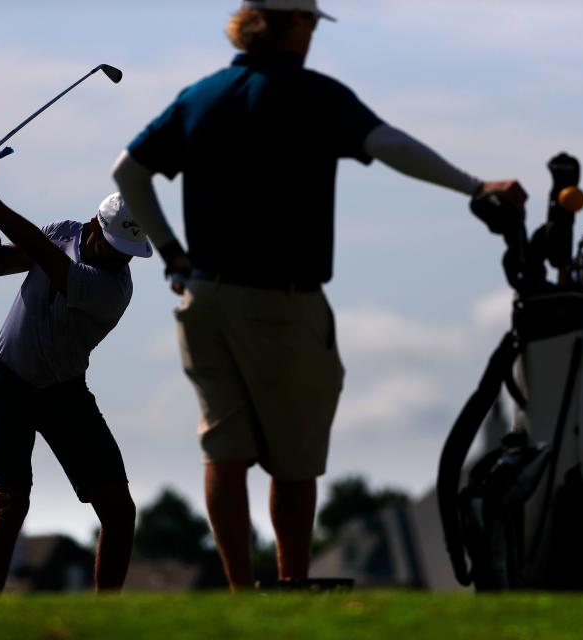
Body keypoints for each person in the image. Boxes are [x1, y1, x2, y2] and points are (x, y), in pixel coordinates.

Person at [112, 0, 527, 589]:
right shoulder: (316, 95)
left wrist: (174, 257)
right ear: (290, 24)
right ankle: (291, 586)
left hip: (202, 300)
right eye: (310, 23)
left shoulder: (199, 96)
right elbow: (390, 145)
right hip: (283, 303)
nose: (313, 34)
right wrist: (473, 185)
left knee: (223, 450)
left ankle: (238, 592)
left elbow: (128, 171)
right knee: (295, 455)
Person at [0, 151, 153, 593]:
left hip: (64, 394)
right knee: (12, 501)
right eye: (116, 249)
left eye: (129, 254)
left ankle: (104, 621)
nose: (122, 260)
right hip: (4, 387)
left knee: (119, 511)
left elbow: (49, 260)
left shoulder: (113, 288)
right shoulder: (64, 231)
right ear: (93, 227)